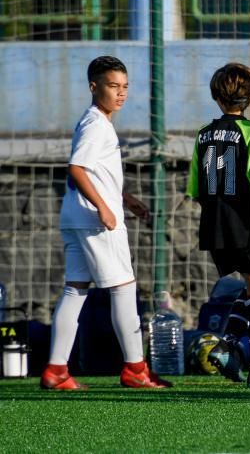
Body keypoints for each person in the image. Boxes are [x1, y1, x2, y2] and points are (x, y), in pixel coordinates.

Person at [41, 56, 171, 390]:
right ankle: (136, 369)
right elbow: (77, 168)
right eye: (113, 86)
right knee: (124, 289)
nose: (121, 93)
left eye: (125, 86)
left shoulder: (96, 122)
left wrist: (125, 199)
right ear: (94, 86)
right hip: (94, 221)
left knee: (75, 290)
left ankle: (56, 370)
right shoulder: (96, 124)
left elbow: (96, 172)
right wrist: (104, 207)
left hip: (75, 216)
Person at [186, 63, 250, 390]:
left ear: (216, 97)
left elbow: (197, 190)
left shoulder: (203, 134)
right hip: (247, 222)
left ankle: (228, 347)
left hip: (215, 226)